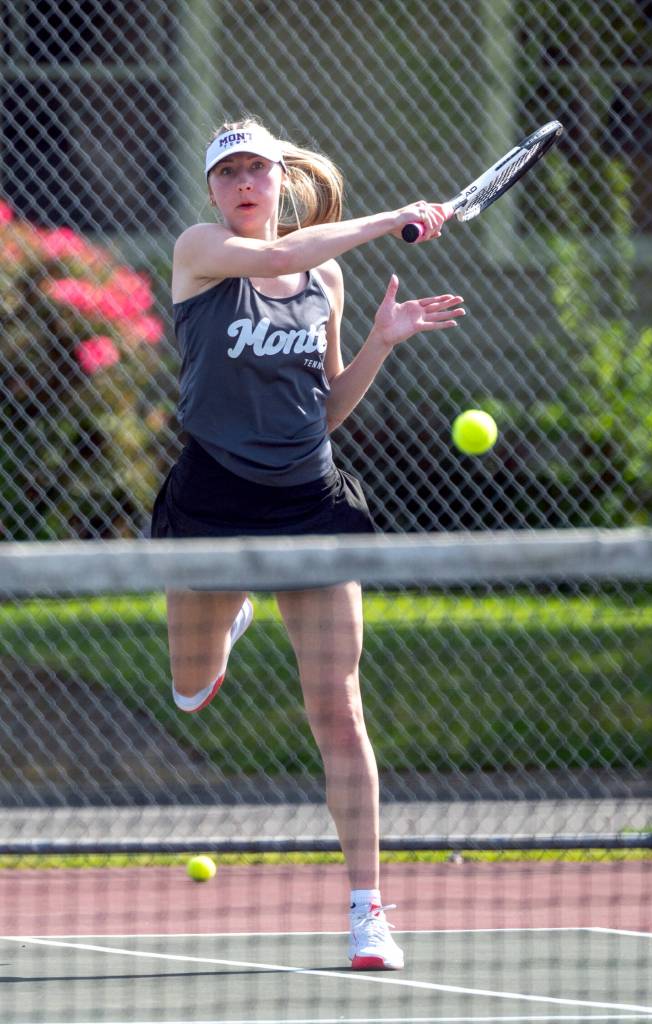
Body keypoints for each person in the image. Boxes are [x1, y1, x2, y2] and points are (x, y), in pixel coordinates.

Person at [151, 117, 466, 970]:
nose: (245, 184)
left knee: (339, 708)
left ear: (281, 182)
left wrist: (381, 342)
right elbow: (273, 262)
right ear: (213, 190)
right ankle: (225, 623)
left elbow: (322, 408)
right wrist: (384, 218)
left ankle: (368, 913)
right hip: (213, 502)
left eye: (258, 170)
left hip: (309, 502)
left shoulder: (321, 273)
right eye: (230, 174)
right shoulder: (202, 250)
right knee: (187, 689)